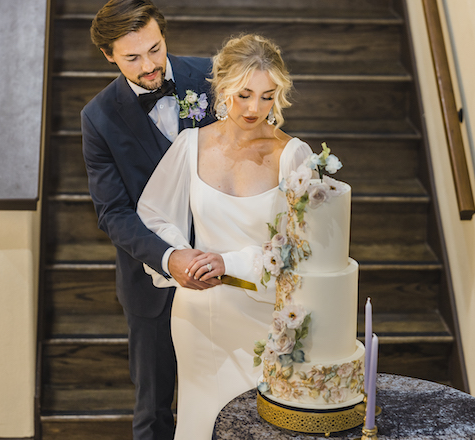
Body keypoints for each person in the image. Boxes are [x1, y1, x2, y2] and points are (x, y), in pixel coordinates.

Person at [136, 34, 315, 439]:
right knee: (200, 424)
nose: (255, 108)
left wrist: (229, 263)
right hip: (200, 315)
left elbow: (304, 250)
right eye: (244, 94)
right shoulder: (190, 145)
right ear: (221, 87)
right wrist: (186, 257)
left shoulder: (294, 156)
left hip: (268, 318)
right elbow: (152, 216)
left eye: (268, 96)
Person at [81, 1, 218, 439]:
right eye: (132, 58)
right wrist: (169, 258)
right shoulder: (98, 117)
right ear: (108, 56)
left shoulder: (214, 78)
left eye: (155, 49)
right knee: (153, 412)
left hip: (224, 266)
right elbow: (113, 212)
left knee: (228, 398)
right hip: (149, 284)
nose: (149, 65)